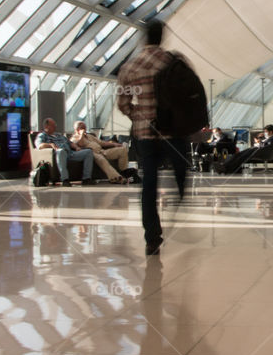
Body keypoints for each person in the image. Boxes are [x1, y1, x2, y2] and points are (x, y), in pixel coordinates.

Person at [116, 20, 189, 256]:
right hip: (171, 132)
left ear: (144, 39)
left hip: (145, 133)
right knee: (181, 165)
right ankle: (180, 192)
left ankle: (152, 238)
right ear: (161, 37)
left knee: (149, 183)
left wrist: (137, 116)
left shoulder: (130, 67)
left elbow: (123, 104)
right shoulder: (171, 62)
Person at [35, 117, 95, 187]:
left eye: (55, 125)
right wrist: (50, 144)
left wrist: (77, 147)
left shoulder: (59, 135)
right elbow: (39, 145)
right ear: (46, 126)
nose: (55, 126)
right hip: (59, 154)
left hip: (70, 153)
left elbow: (70, 143)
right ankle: (65, 180)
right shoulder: (42, 135)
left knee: (88, 152)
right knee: (61, 151)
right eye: (53, 125)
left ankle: (86, 179)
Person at [71, 121, 136, 184]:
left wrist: (114, 144)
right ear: (76, 129)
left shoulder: (89, 136)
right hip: (92, 153)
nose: (84, 129)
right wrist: (81, 135)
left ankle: (123, 171)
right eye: (82, 127)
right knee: (101, 159)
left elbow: (102, 143)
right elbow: (76, 144)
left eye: (84, 127)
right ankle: (115, 178)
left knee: (122, 150)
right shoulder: (74, 138)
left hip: (102, 151)